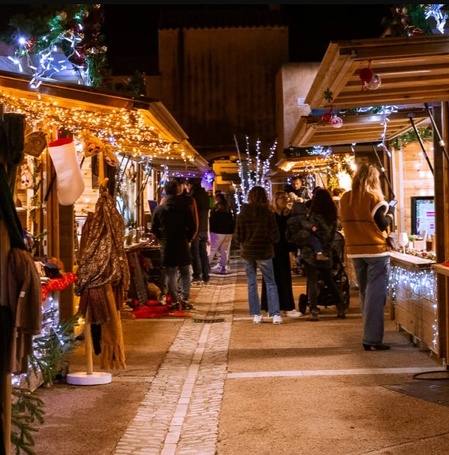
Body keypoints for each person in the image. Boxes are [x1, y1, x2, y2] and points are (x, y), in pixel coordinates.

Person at [340, 163, 395, 351]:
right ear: (374, 178)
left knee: (365, 292)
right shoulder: (374, 197)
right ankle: (372, 339)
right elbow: (382, 224)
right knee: (376, 295)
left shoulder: (346, 198)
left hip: (355, 250)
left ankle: (368, 335)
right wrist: (391, 215)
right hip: (376, 251)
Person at [287, 188, 345, 321]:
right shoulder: (332, 217)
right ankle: (340, 306)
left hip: (310, 253)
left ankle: (313, 310)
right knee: (329, 280)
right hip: (327, 252)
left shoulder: (313, 216)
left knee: (312, 281)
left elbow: (309, 232)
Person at [234, 186, 283, 324]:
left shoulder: (242, 213)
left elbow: (237, 236)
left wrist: (244, 241)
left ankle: (256, 314)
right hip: (264, 251)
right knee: (270, 282)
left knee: (251, 283)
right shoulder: (268, 213)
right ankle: (275, 314)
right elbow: (275, 236)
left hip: (248, 251)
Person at [151, 179, 197, 310]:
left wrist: (162, 239)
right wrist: (187, 239)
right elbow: (192, 226)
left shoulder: (160, 209)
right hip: (182, 242)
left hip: (168, 243)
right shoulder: (185, 207)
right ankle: (185, 299)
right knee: (185, 272)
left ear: (165, 191)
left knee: (170, 273)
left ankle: (175, 301)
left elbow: (154, 228)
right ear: (178, 190)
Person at [261, 191, 302, 318]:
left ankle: (287, 306)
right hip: (272, 249)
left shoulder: (288, 214)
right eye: (282, 198)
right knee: (271, 278)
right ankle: (270, 307)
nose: (284, 201)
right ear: (276, 200)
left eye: (286, 198)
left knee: (284, 277)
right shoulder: (270, 215)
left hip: (283, 249)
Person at [186, 178, 210, 285]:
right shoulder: (205, 195)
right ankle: (206, 275)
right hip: (204, 228)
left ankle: (197, 275)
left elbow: (191, 214)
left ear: (190, 185)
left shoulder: (193, 197)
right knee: (203, 252)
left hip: (197, 228)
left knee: (195, 253)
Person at [208, 193, 235, 274]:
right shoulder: (228, 208)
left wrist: (210, 231)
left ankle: (206, 266)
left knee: (212, 249)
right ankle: (223, 267)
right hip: (228, 232)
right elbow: (232, 220)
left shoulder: (216, 209)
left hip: (217, 231)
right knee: (225, 250)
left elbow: (212, 221)